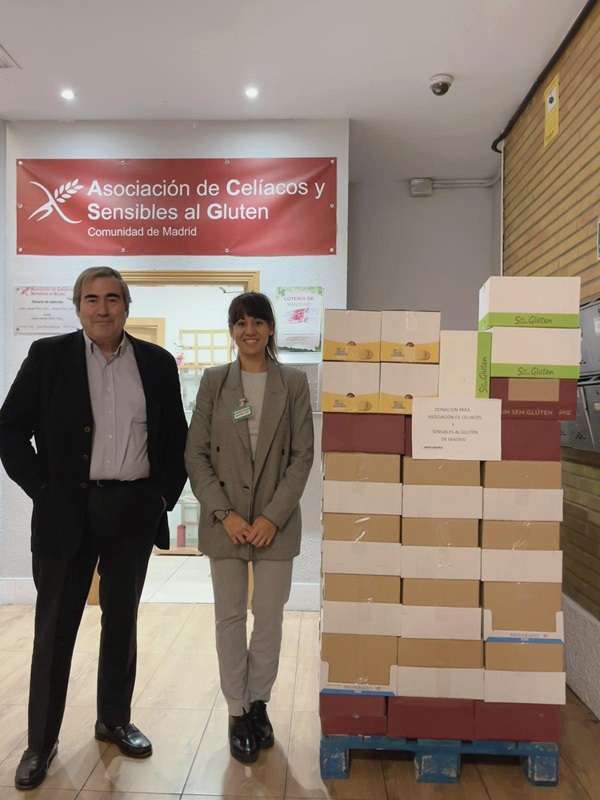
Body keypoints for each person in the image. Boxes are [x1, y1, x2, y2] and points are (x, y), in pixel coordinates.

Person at [0, 267, 187, 790]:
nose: (102, 308)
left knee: (122, 622)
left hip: (131, 509)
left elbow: (176, 437)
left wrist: (160, 497)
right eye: (91, 299)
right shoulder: (48, 356)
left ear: (126, 305)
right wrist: (43, 488)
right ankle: (40, 743)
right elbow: (9, 429)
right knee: (54, 630)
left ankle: (114, 721)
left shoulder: (156, 362)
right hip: (65, 512)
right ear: (77, 307)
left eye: (111, 298)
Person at [185, 292, 314, 763]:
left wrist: (272, 517)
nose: (249, 331)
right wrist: (226, 513)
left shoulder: (293, 382)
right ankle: (237, 710)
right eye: (240, 323)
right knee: (230, 616)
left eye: (258, 322)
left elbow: (302, 456)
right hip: (227, 522)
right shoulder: (215, 381)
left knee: (270, 615)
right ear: (232, 331)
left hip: (276, 523)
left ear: (271, 328)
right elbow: (195, 453)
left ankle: (259, 703)